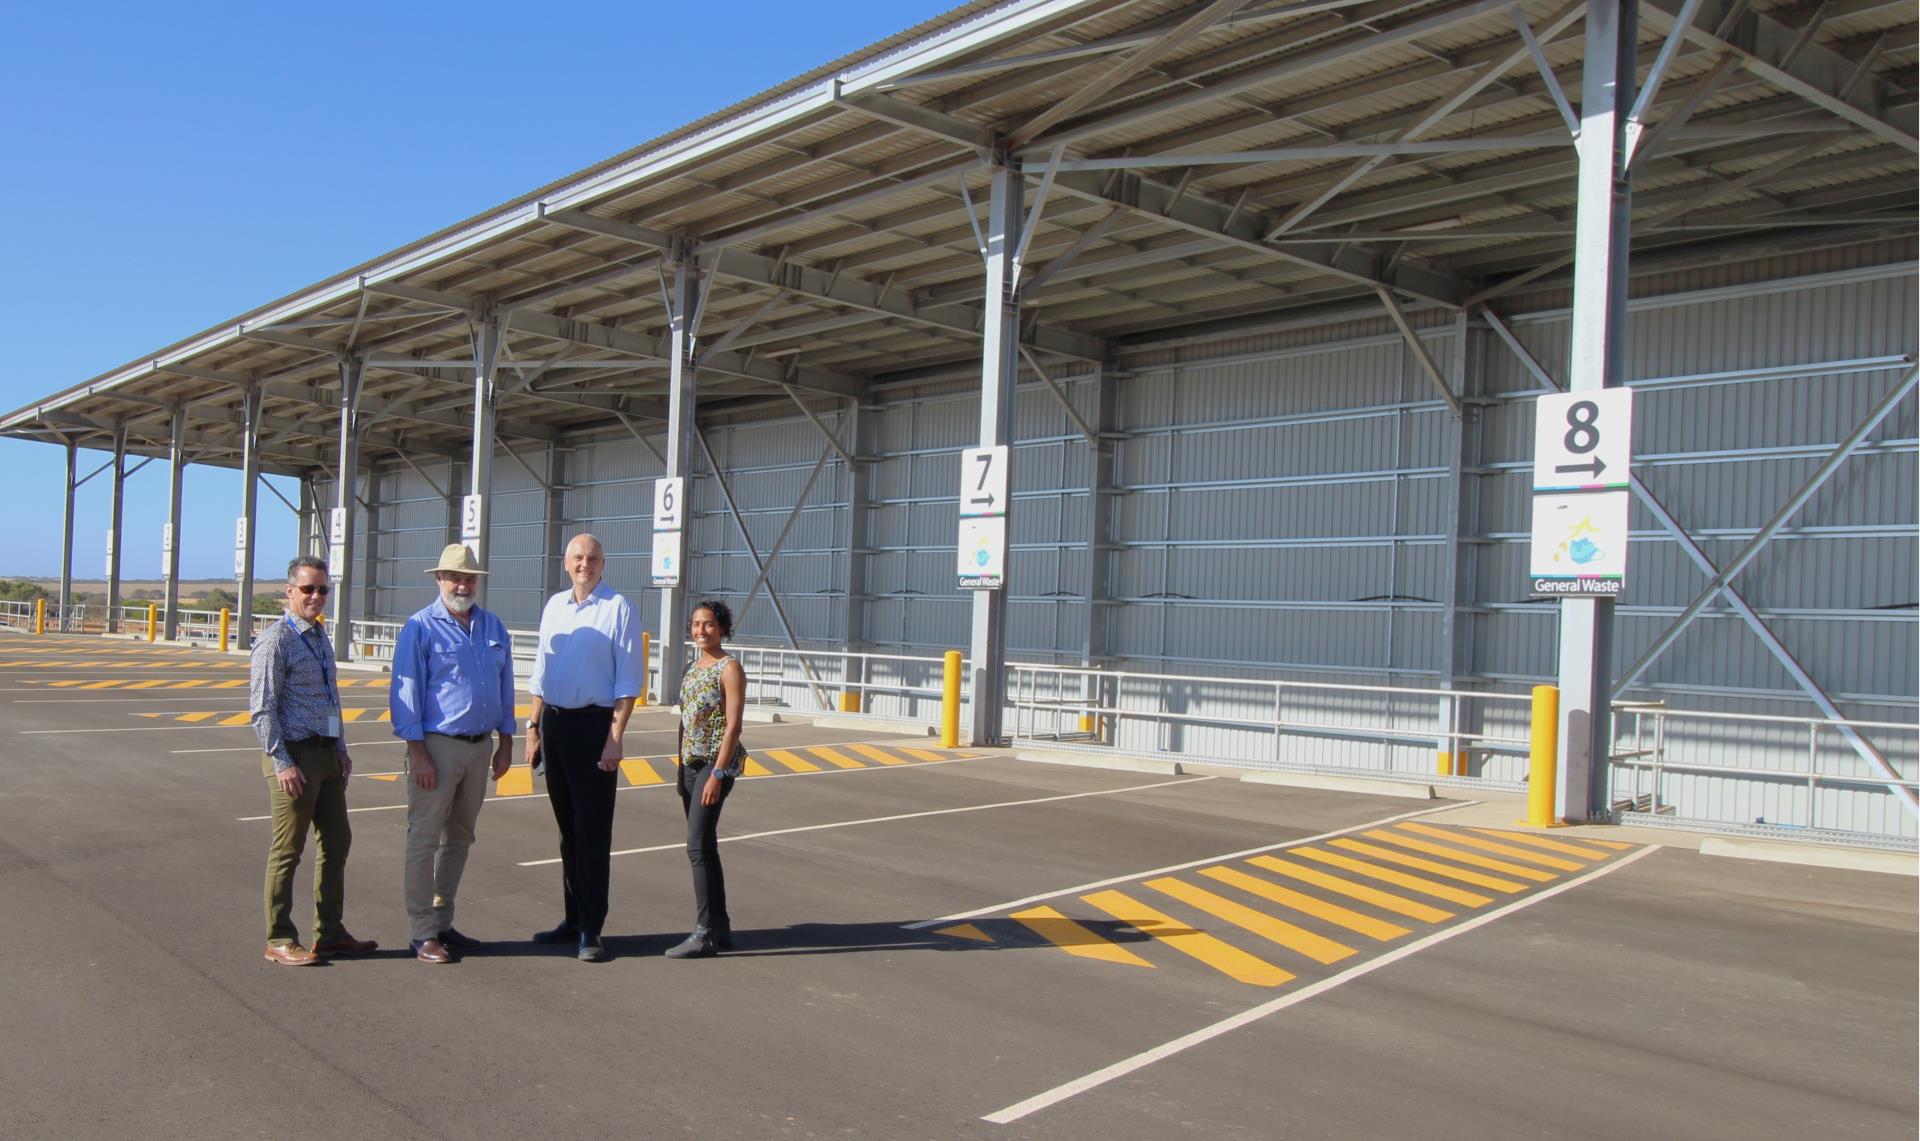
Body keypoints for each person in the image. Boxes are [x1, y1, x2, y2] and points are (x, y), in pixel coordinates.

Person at [389, 544, 516, 965]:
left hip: (481, 748)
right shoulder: (420, 628)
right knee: (424, 839)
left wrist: (506, 741)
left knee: (460, 837)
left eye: (469, 578)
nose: (463, 584)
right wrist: (418, 752)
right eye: (454, 577)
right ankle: (422, 931)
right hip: (437, 747)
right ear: (438, 579)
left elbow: (506, 687)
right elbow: (406, 695)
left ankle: (444, 921)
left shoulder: (493, 626)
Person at [250, 556, 377, 966]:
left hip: (325, 754)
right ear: (289, 592)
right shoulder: (276, 641)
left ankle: (331, 932)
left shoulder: (319, 637)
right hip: (293, 755)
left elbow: (329, 700)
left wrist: (340, 746)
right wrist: (283, 762)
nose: (317, 596)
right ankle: (280, 937)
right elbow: (262, 709)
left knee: (337, 841)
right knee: (288, 849)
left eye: (323, 589)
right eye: (308, 589)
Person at [525, 533, 642, 963]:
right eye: (577, 557)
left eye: (592, 558)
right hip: (555, 724)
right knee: (567, 833)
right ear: (565, 562)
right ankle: (572, 919)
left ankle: (592, 929)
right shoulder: (554, 606)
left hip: (596, 728)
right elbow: (541, 671)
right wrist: (533, 726)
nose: (585, 564)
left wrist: (615, 738)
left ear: (602, 564)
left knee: (592, 833)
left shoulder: (619, 608)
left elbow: (629, 681)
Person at [665, 599, 746, 959]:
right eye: (696, 625)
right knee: (706, 846)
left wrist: (716, 773)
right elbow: (685, 721)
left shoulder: (729, 668)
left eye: (709, 624)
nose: (701, 631)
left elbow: (733, 726)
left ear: (722, 628)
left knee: (696, 847)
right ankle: (721, 924)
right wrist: (681, 768)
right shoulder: (691, 668)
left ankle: (703, 932)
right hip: (691, 766)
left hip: (715, 766)